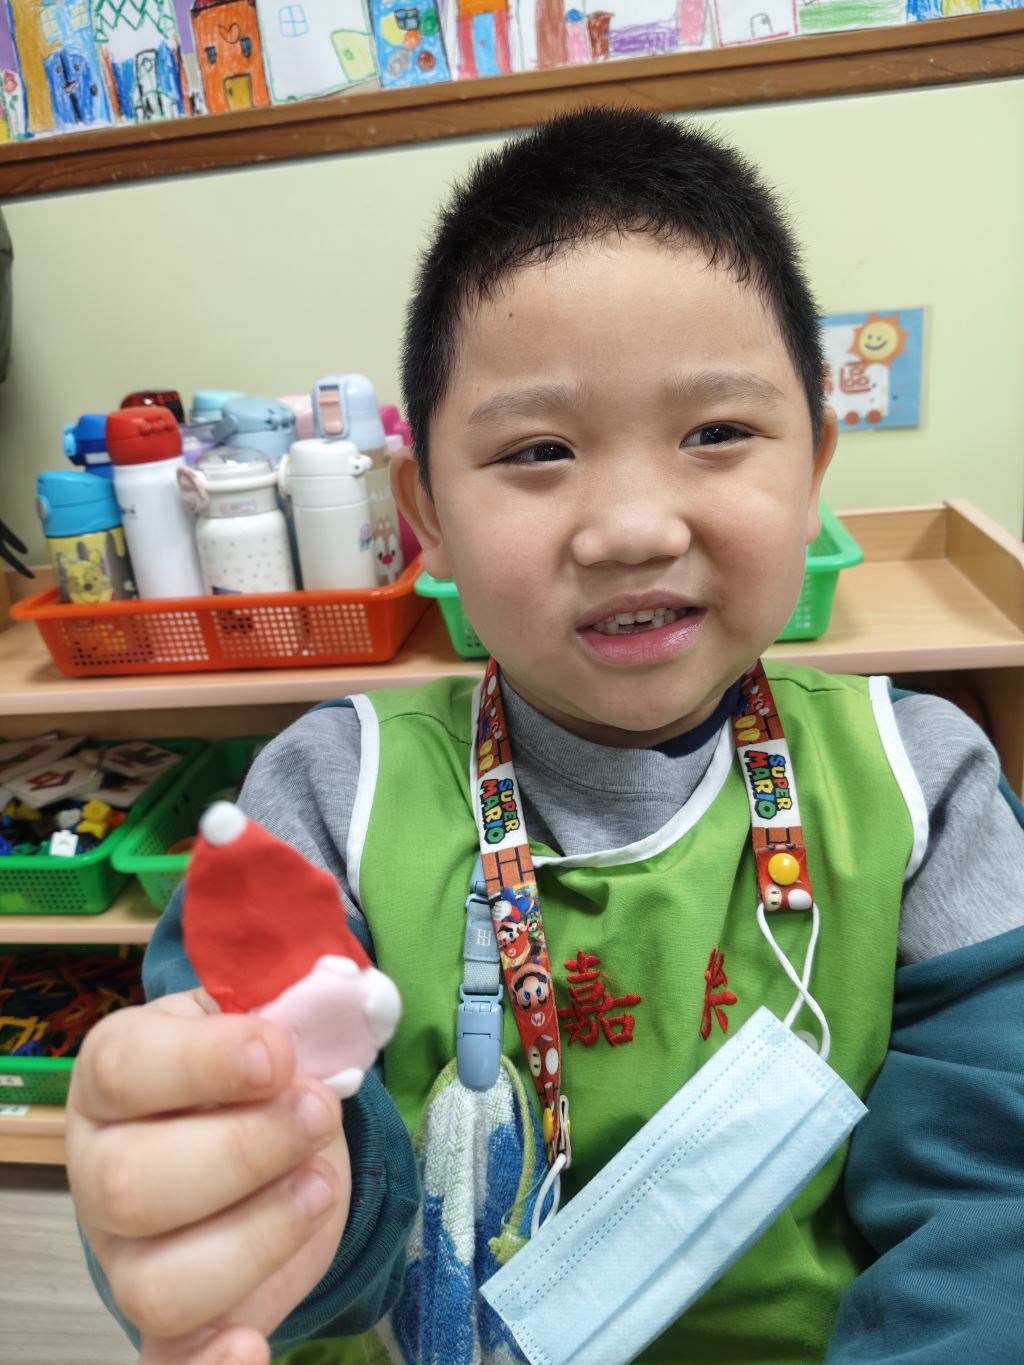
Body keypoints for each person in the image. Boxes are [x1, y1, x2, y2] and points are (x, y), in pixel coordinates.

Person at [66, 108, 1024, 1365]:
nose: (631, 528)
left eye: (715, 433)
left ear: (813, 466)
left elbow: (989, 1195)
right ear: (426, 515)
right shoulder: (320, 799)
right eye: (537, 450)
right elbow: (256, 1163)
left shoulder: (925, 785)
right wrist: (253, 1208)